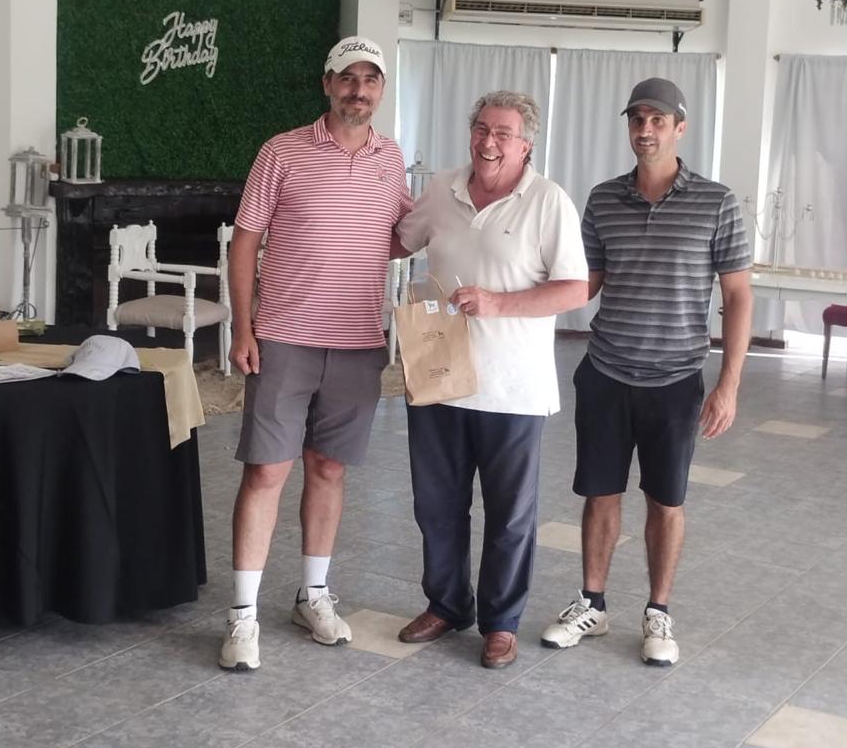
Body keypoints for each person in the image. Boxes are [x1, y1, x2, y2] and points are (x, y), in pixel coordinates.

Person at [541, 77, 752, 667]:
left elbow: (738, 295)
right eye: (637, 119)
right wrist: (514, 298)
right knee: (599, 493)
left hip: (676, 381)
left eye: (658, 120)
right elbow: (584, 283)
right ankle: (592, 604)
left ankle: (658, 612)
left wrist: (729, 383)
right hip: (606, 373)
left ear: (679, 128)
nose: (646, 129)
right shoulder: (604, 199)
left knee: (666, 501)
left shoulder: (717, 202)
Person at [218, 36, 412, 672]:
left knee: (329, 469)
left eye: (371, 80)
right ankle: (242, 615)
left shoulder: (391, 159)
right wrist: (242, 328)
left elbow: (399, 236)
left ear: (381, 90)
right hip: (284, 337)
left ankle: (314, 594)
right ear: (327, 84)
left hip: (357, 343)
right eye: (348, 78)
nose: (359, 90)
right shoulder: (281, 151)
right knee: (266, 472)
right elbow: (244, 243)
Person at [395, 91, 588, 669]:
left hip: (513, 388)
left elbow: (575, 289)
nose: (489, 142)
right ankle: (446, 604)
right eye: (481, 128)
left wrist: (499, 304)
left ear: (526, 145)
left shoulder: (548, 201)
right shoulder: (442, 190)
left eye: (504, 133)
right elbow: (396, 239)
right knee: (436, 506)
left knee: (509, 514)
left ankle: (501, 623)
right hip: (438, 376)